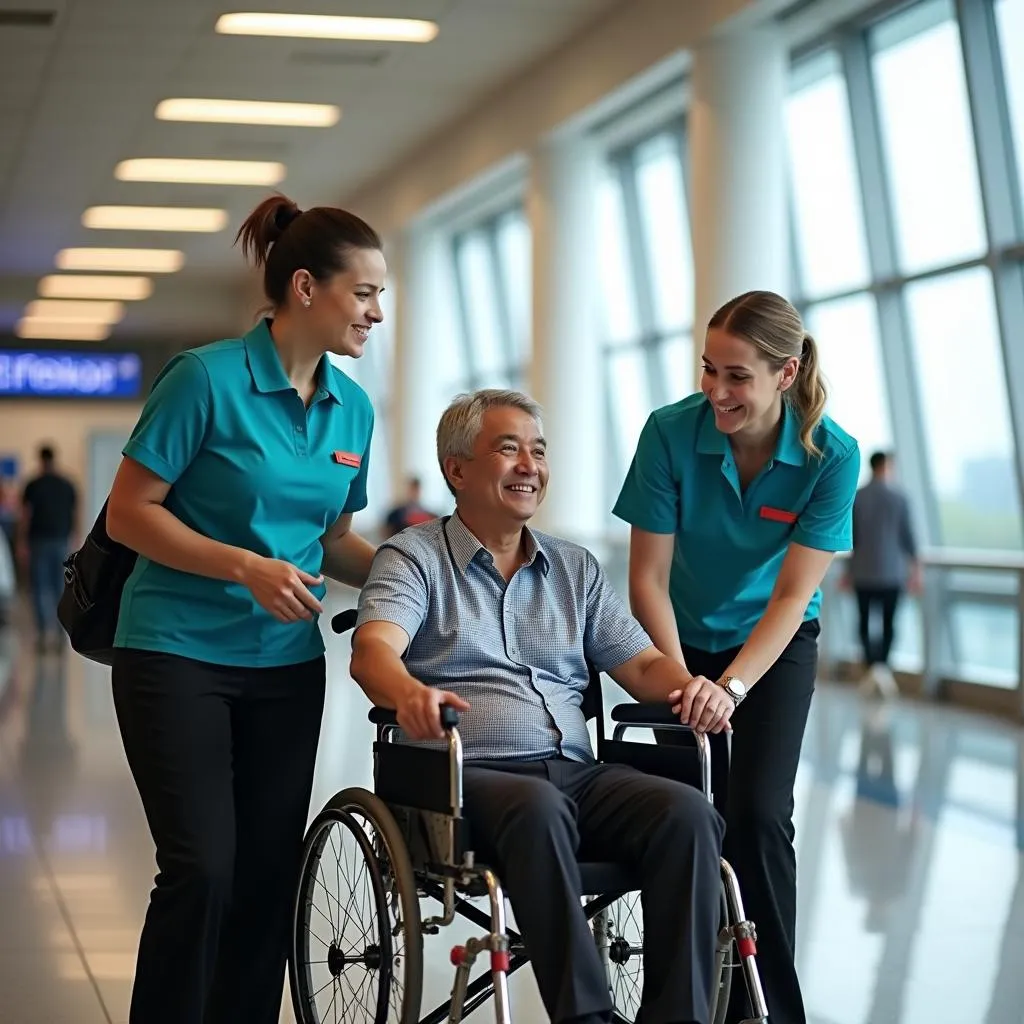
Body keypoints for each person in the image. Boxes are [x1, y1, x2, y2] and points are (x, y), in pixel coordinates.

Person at [352, 389, 730, 1024]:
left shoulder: (574, 568)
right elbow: (373, 652)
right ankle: (587, 1017)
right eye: (508, 449)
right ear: (457, 470)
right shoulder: (413, 558)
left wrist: (691, 687)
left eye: (538, 451)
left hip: (576, 771)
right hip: (468, 777)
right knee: (538, 806)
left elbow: (638, 664)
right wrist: (410, 693)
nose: (529, 465)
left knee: (687, 813)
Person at [105, 193, 385, 1024]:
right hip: (174, 651)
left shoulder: (355, 408)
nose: (376, 311)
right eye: (363, 292)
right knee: (203, 867)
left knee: (268, 874)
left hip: (286, 668)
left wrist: (425, 579)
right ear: (305, 287)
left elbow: (333, 538)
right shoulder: (205, 378)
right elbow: (130, 513)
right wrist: (245, 566)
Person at [612, 290, 860, 1024]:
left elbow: (791, 598)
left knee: (755, 815)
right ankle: (684, 1002)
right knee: (684, 816)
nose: (717, 391)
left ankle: (767, 1010)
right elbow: (647, 579)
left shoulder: (830, 456)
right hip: (677, 637)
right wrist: (680, 675)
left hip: (772, 647)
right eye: (708, 370)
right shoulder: (669, 434)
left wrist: (735, 685)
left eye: (737, 376)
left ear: (785, 374)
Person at [846, 450, 920, 698]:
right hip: (892, 574)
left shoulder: (857, 497)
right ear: (887, 466)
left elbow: (850, 538)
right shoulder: (899, 498)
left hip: (863, 573)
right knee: (889, 623)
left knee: (864, 622)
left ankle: (873, 667)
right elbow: (908, 538)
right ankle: (882, 667)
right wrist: (915, 570)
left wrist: (847, 572)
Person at [18, 445, 78, 650]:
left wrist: (22, 542)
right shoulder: (67, 484)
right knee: (60, 587)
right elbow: (74, 514)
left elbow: (26, 515)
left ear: (40, 460)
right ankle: (62, 634)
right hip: (61, 540)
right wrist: (75, 539)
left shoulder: (33, 485)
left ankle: (44, 634)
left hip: (39, 541)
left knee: (39, 588)